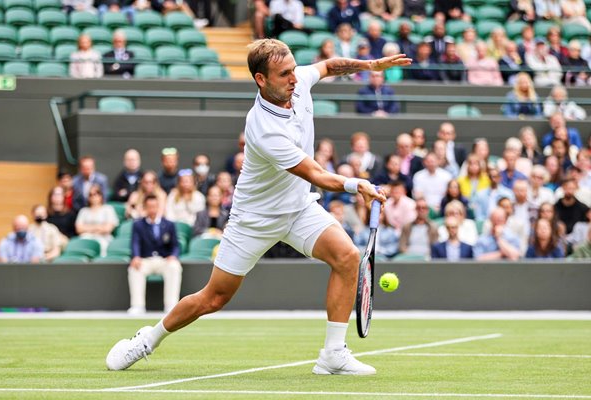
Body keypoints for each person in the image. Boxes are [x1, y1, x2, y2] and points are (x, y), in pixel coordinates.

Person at [106, 38, 410, 374]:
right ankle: (148, 339)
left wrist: (370, 66)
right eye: (284, 74)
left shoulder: (298, 82)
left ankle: (333, 354)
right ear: (261, 79)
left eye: (294, 70)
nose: (294, 79)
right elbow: (315, 173)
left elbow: (328, 66)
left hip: (297, 209)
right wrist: (357, 184)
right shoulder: (263, 128)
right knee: (214, 298)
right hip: (254, 219)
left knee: (348, 256)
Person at [127, 195, 183, 315]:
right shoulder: (138, 225)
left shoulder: (169, 224)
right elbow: (135, 243)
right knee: (134, 268)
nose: (152, 209)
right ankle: (137, 306)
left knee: (174, 266)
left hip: (164, 260)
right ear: (145, 208)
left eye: (155, 206)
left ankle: (171, 306)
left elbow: (176, 245)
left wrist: (173, 255)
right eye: (149, 206)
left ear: (159, 207)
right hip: (145, 260)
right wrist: (136, 257)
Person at [75, 184, 119, 256]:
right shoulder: (83, 211)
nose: (93, 197)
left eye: (95, 194)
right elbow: (79, 229)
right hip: (86, 237)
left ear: (101, 195)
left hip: (104, 238)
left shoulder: (108, 209)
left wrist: (87, 227)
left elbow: (108, 229)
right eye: (90, 195)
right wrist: (98, 227)